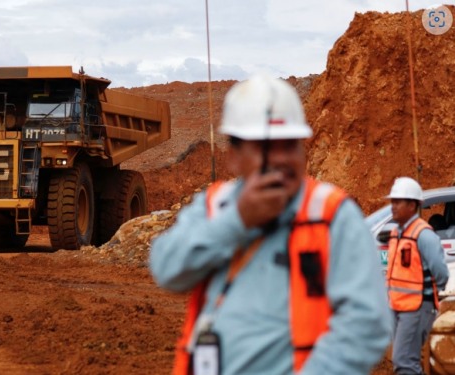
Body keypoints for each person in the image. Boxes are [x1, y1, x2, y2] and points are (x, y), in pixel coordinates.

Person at [149, 74, 392, 375]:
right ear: (234, 157)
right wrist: (238, 220)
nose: (280, 160)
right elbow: (167, 270)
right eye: (265, 147)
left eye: (289, 145)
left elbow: (367, 323)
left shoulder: (332, 215)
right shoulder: (216, 207)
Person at [385, 177, 449, 375]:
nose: (392, 206)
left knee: (404, 362)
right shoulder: (398, 233)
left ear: (412, 205)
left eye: (398, 202)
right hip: (399, 307)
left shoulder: (424, 235)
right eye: (392, 201)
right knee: (407, 361)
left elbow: (441, 274)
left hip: (417, 307)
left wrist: (426, 297)